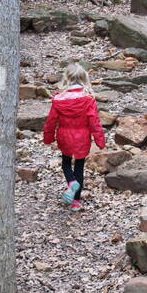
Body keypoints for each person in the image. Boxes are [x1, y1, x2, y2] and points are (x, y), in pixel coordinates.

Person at [42, 62, 105, 212]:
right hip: (82, 136)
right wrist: (100, 140)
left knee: (65, 163)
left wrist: (48, 137)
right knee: (79, 166)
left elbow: (51, 121)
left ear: (66, 79)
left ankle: (71, 182)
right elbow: (94, 121)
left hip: (64, 135)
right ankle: (76, 202)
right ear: (84, 79)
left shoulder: (58, 99)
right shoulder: (88, 99)